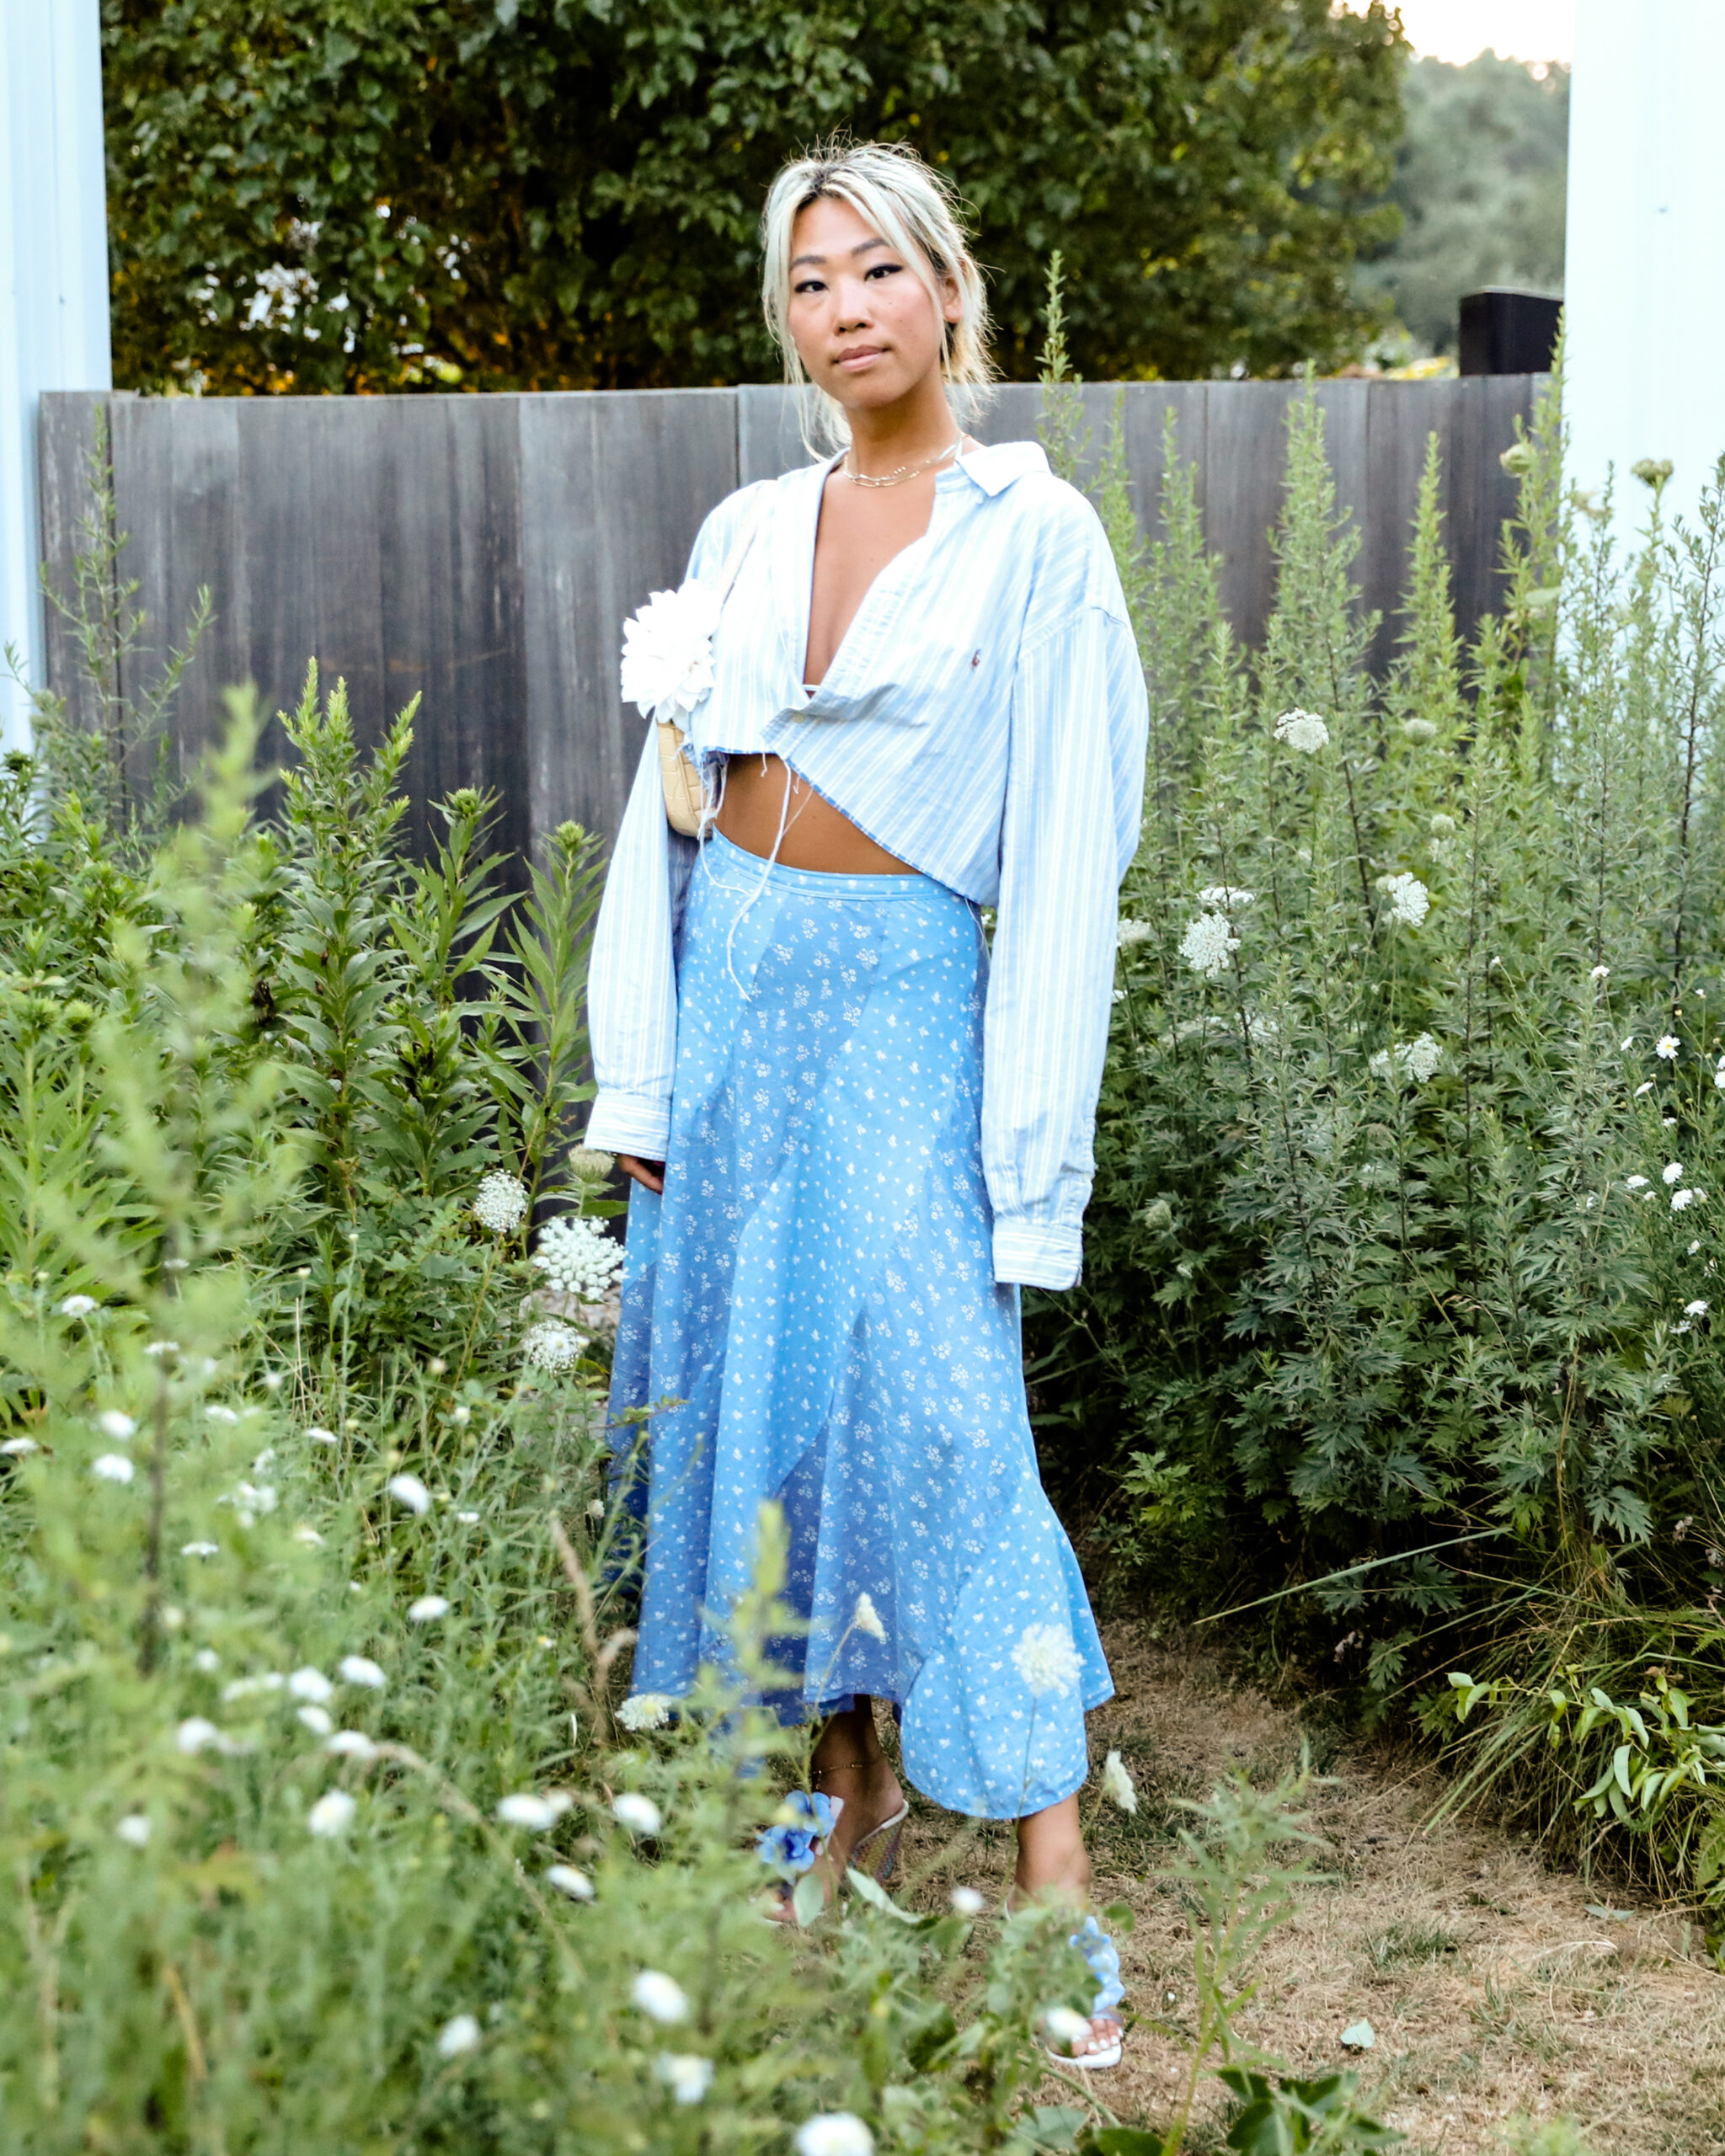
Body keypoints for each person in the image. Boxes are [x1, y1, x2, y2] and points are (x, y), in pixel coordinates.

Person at [585, 139, 1147, 2066]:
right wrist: (642, 1068)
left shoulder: (1032, 533)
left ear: (948, 290)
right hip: (734, 1006)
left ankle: (1053, 1876)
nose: (845, 309)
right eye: (811, 280)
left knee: (946, 1418)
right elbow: (662, 812)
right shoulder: (748, 526)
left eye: (878, 269)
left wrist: (1031, 1156)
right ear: (787, 318)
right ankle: (838, 1795)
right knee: (771, 1409)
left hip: (907, 1010)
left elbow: (1066, 847)